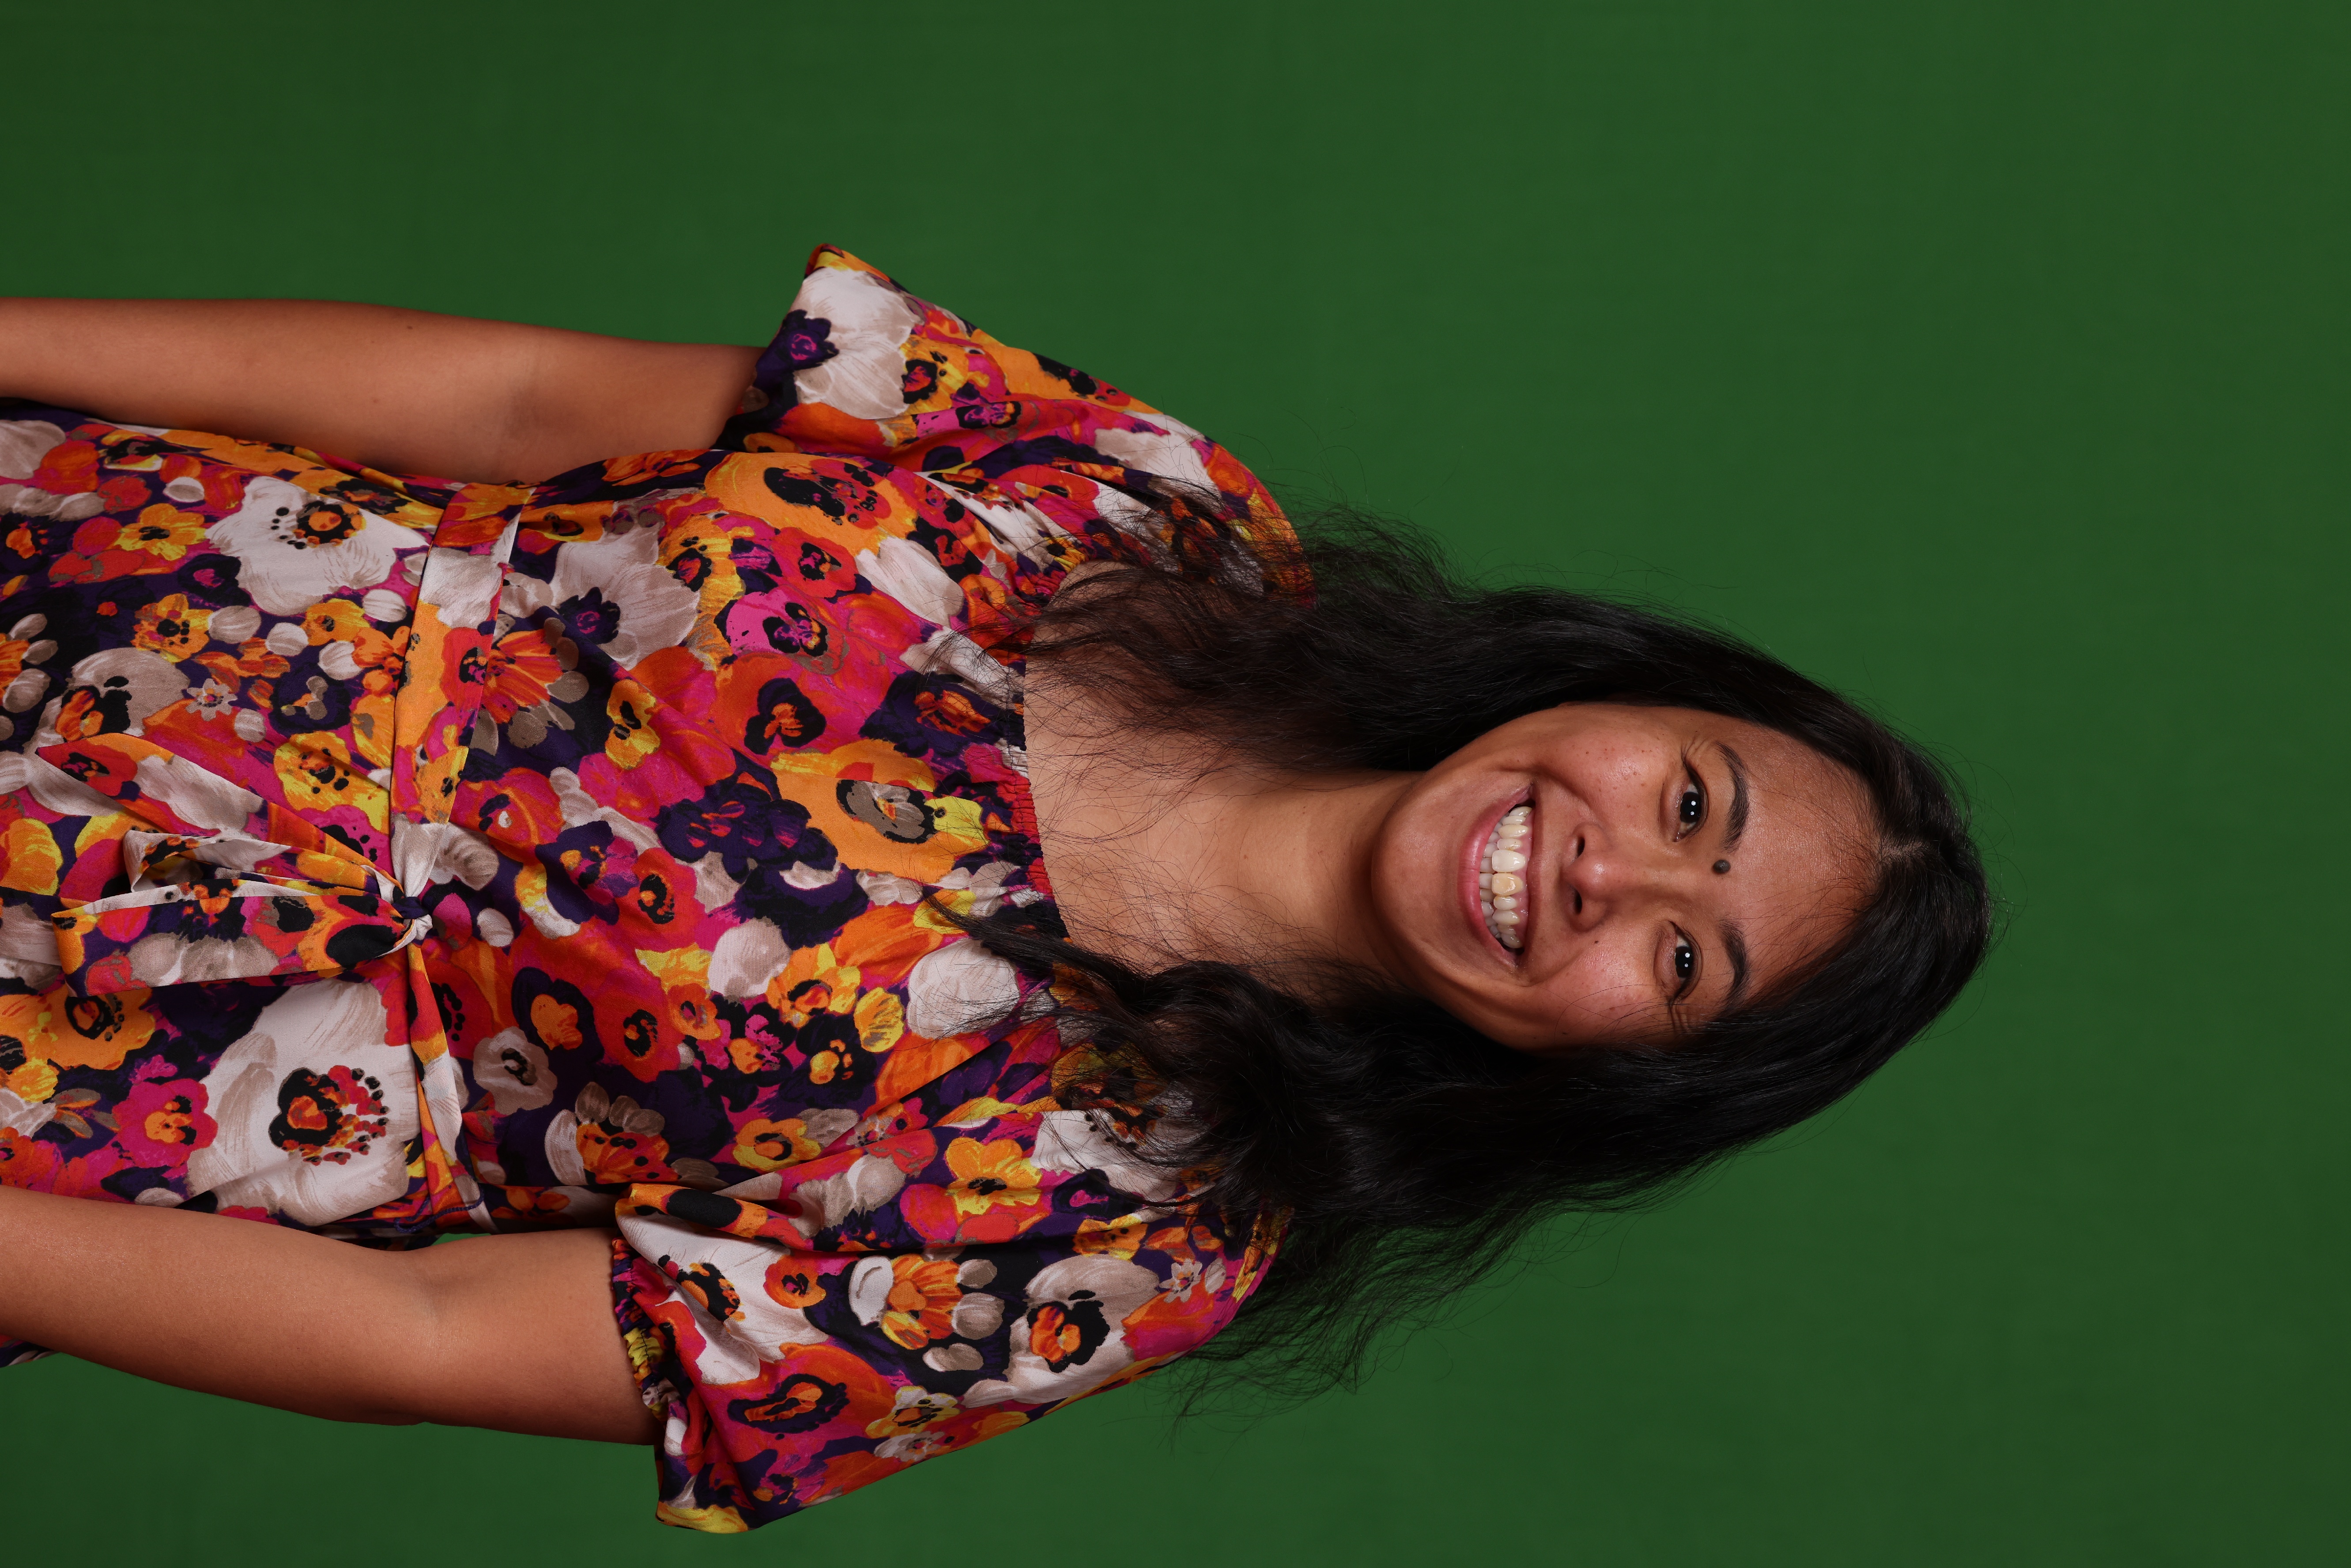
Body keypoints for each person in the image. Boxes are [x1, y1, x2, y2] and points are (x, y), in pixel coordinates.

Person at [0, 248, 1991, 1532]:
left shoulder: (1132, 1233)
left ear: (1628, 1068)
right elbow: (521, 403)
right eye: (1693, 797)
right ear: (1619, 690)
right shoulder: (1147, 510)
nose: (1609, 869)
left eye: (1684, 956)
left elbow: (429, 1338)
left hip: (75, 1055)